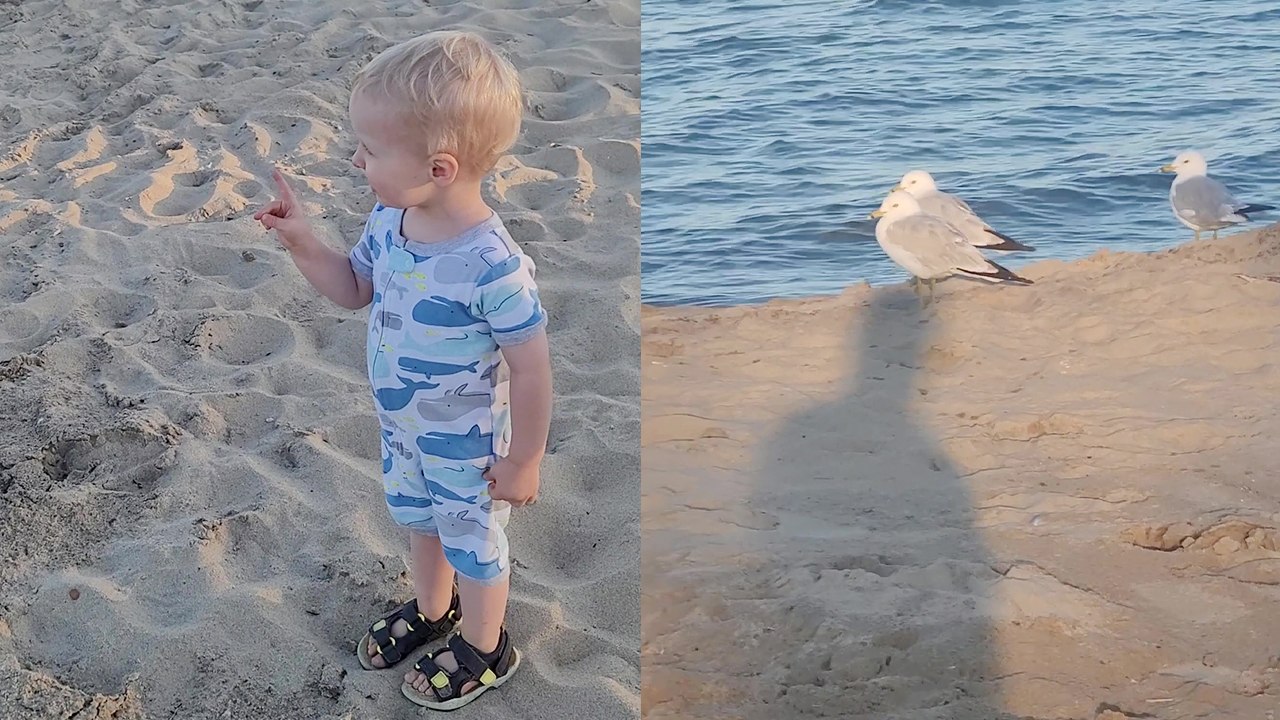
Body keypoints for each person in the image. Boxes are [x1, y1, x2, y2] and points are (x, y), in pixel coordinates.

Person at [253, 30, 552, 711]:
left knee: (473, 541)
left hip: (467, 445)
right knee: (418, 522)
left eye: (371, 150)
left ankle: (485, 645)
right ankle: (432, 609)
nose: (357, 160)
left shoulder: (493, 266)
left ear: (440, 167)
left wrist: (525, 459)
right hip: (403, 428)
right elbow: (355, 287)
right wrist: (304, 243)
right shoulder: (391, 222)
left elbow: (532, 368)